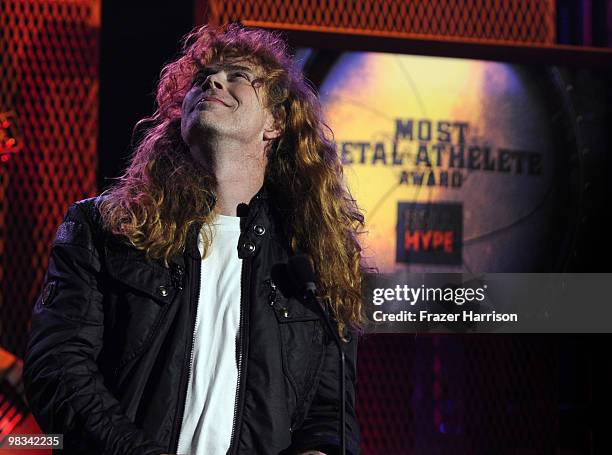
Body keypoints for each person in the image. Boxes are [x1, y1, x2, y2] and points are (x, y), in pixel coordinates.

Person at [23, 24, 364, 455]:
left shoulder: (313, 257)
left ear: (275, 122)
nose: (213, 80)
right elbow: (58, 369)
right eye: (203, 78)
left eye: (238, 74)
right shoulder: (106, 228)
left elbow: (331, 412)